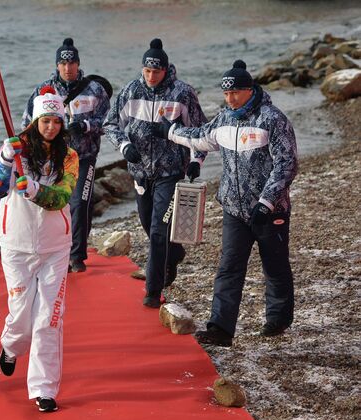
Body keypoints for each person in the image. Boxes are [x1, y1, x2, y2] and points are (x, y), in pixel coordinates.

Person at [153, 60, 298, 347]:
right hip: (234, 209)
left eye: (236, 93)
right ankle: (220, 328)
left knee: (275, 266)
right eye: (226, 94)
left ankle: (278, 318)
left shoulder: (272, 119)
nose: (230, 99)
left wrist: (266, 202)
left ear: (249, 90)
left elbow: (287, 164)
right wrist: (170, 131)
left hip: (270, 212)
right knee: (229, 267)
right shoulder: (224, 118)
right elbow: (200, 137)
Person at [0, 87, 79, 412]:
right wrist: (6, 161)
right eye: (45, 120)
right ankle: (11, 346)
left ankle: (44, 389)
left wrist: (37, 189)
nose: (50, 126)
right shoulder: (16, 149)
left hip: (55, 247)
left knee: (49, 319)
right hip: (16, 245)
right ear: (35, 120)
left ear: (61, 122)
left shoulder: (68, 156)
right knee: (21, 315)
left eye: (56, 120)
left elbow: (62, 197)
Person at [103, 38, 207, 308]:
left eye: (156, 72)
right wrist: (124, 147)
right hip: (139, 172)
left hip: (170, 172)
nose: (151, 76)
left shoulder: (182, 93)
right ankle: (173, 254)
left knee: (159, 230)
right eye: (147, 71)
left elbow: (199, 131)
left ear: (166, 69)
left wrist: (196, 160)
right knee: (148, 225)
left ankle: (153, 289)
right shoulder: (130, 91)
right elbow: (110, 124)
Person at [22, 38, 111, 273]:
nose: (67, 68)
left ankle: (76, 256)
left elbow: (109, 122)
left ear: (78, 64)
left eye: (71, 63)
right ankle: (50, 249)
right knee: (50, 203)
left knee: (80, 203)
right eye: (63, 64)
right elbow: (27, 122)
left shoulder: (94, 90)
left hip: (85, 156)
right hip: (52, 159)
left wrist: (85, 126)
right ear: (57, 65)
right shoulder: (44, 92)